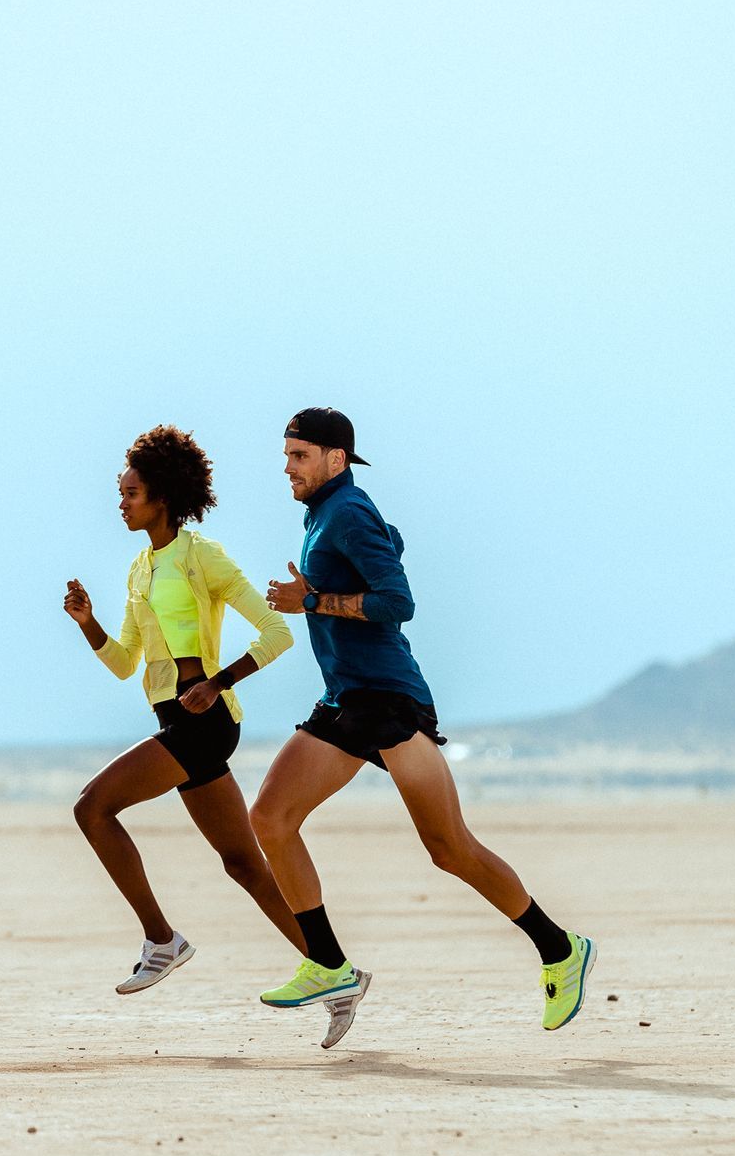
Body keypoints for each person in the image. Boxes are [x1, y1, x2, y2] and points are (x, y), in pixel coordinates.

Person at [251, 407, 594, 1046]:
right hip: (349, 700)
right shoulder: (328, 513)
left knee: (449, 848)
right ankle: (328, 965)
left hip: (386, 701)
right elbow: (387, 548)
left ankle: (560, 949)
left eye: (299, 457)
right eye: (286, 457)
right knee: (271, 818)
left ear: (336, 457)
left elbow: (398, 600)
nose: (289, 470)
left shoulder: (346, 511)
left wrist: (313, 602)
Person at [63, 424, 305, 995]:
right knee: (243, 863)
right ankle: (335, 967)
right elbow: (126, 664)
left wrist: (217, 683)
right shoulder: (140, 570)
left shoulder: (202, 558)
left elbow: (276, 635)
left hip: (205, 722)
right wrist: (87, 622)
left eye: (130, 494)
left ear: (162, 498)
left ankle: (161, 939)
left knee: (92, 809)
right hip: (174, 720)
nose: (120, 503)